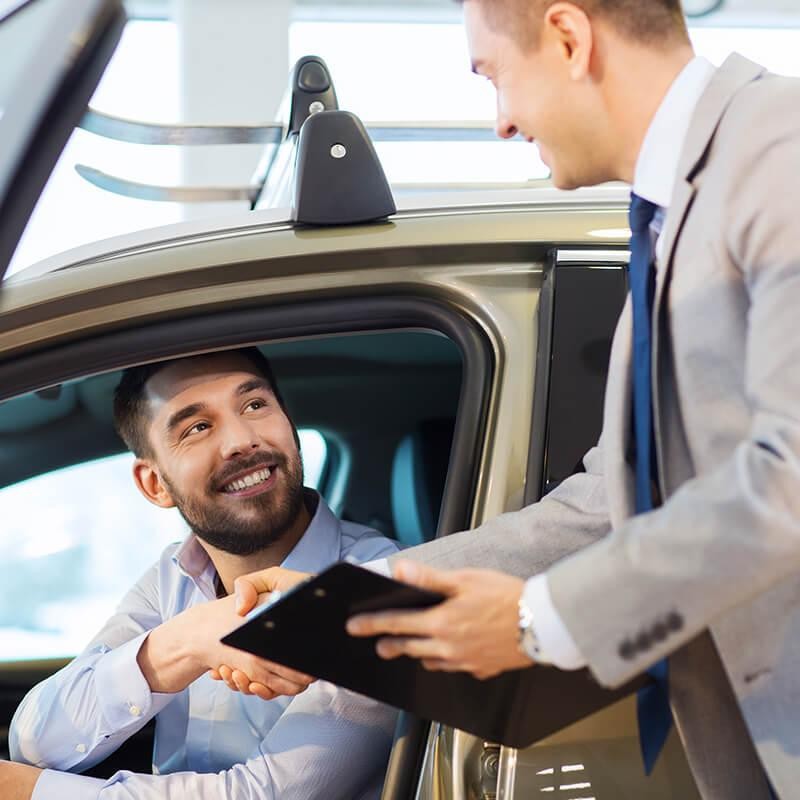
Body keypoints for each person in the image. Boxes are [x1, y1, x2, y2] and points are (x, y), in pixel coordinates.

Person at [229, 2, 800, 799]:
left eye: (494, 76)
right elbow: (615, 498)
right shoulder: (669, 220)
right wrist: (361, 596)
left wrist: (539, 620)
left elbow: (791, 479)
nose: (501, 123)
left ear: (569, 38)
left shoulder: (781, 150)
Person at [0, 348, 399, 799]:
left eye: (254, 405)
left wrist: (29, 793)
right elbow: (34, 741)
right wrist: (185, 642)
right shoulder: (172, 577)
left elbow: (274, 795)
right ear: (155, 484)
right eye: (198, 428)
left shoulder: (378, 583)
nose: (240, 440)